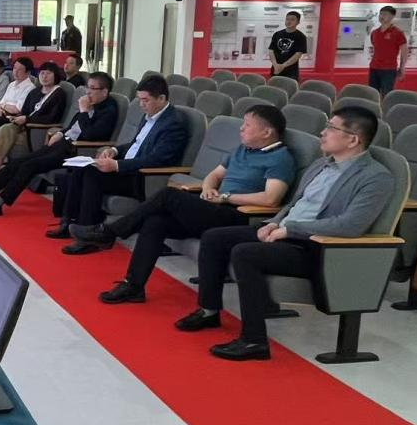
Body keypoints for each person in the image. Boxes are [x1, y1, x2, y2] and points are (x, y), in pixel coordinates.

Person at [178, 106, 394, 361]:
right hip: (286, 232)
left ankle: (254, 341)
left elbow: (349, 226)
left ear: (353, 139)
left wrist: (290, 229)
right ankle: (209, 311)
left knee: (245, 253)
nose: (323, 133)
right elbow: (294, 204)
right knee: (216, 238)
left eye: (331, 128)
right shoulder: (321, 165)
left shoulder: (375, 177)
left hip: (317, 248)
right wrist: (274, 223)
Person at [68, 106, 294, 302]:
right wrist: (208, 188)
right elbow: (214, 175)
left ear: (266, 132)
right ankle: (133, 286)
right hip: (215, 207)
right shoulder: (242, 150)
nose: (241, 129)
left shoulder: (280, 158)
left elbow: (270, 199)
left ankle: (109, 232)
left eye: (247, 125)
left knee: (169, 195)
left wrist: (226, 197)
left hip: (238, 216)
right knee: (156, 222)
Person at [0, 71, 119, 216]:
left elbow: (90, 134)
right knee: (18, 162)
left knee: (29, 166)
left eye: (93, 88)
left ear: (104, 91)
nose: (88, 92)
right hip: (63, 143)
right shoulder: (91, 104)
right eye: (88, 87)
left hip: (77, 150)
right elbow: (73, 126)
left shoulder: (108, 110)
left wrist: (83, 111)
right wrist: (60, 133)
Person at [48, 74, 190, 242]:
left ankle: (88, 232)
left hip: (143, 177)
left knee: (93, 175)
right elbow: (136, 144)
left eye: (146, 100)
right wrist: (114, 150)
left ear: (161, 98)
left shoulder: (174, 123)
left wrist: (117, 165)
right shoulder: (150, 115)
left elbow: (157, 159)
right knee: (82, 168)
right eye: (139, 100)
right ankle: (68, 222)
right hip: (127, 169)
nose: (141, 105)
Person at [0, 62, 69, 173]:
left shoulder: (58, 94)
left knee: (4, 130)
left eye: (48, 73)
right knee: (3, 129)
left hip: (36, 130)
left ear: (55, 75)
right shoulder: (35, 92)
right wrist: (17, 118)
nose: (44, 77)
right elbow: (25, 111)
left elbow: (52, 118)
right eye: (42, 73)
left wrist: (27, 119)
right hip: (23, 125)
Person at [368, 6, 407, 96]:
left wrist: (402, 67)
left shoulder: (398, 33)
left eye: (385, 14)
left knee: (386, 94)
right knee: (372, 93)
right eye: (380, 14)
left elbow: (404, 51)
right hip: (374, 67)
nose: (382, 16)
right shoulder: (375, 32)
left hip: (389, 69)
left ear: (392, 16)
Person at [268, 11, 307, 81]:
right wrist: (275, 64)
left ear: (298, 22)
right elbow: (271, 50)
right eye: (287, 19)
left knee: (290, 87)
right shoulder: (277, 34)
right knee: (273, 86)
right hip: (276, 69)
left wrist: (283, 66)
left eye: (292, 19)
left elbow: (298, 54)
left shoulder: (301, 37)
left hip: (291, 72)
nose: (289, 21)